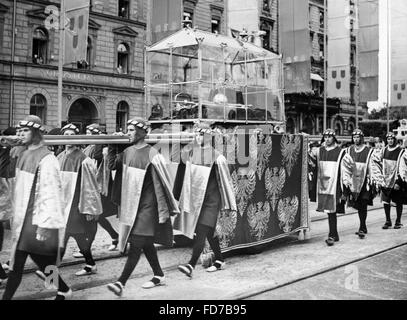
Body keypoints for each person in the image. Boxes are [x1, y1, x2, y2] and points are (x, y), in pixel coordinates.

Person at [105, 117, 179, 297]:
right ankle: (159, 275)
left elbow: (162, 186)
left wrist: (163, 211)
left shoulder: (153, 154)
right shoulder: (127, 151)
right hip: (133, 206)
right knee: (145, 243)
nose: (128, 132)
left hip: (148, 206)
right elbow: (111, 166)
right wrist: (113, 145)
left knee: (136, 243)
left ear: (141, 132)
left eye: (131, 130)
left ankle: (120, 283)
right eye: (128, 130)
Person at [2, 115, 71, 300]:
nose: (20, 133)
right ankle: (63, 289)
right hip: (23, 220)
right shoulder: (23, 154)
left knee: (34, 261)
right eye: (19, 130)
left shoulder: (47, 158)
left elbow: (51, 194)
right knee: (23, 263)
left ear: (36, 132)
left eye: (25, 130)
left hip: (36, 220)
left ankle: (63, 289)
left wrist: (45, 224)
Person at [174, 122, 237, 277]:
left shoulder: (217, 157)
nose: (198, 137)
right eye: (197, 134)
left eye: (201, 134)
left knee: (202, 231)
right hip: (199, 201)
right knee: (209, 232)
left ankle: (190, 265)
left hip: (212, 201)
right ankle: (220, 260)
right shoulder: (192, 153)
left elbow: (228, 174)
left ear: (208, 136)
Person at [57, 123, 103, 276]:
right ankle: (90, 264)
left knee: (63, 239)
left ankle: (50, 273)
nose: (69, 138)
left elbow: (90, 186)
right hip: (62, 206)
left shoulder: (84, 159)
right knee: (77, 237)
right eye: (66, 135)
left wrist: (90, 208)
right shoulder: (59, 157)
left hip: (75, 206)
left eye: (72, 135)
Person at [82, 124, 119, 253]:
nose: (87, 135)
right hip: (90, 185)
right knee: (97, 216)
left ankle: (86, 248)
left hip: (99, 185)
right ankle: (115, 236)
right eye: (86, 132)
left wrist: (99, 139)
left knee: (96, 216)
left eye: (89, 133)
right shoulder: (88, 147)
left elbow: (98, 157)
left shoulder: (100, 147)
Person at [341, 129, 378, 238]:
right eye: (354, 137)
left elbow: (373, 166)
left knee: (363, 204)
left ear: (361, 138)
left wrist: (373, 180)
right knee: (357, 205)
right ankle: (363, 226)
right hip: (353, 182)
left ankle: (362, 227)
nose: (356, 139)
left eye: (358, 137)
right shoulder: (348, 151)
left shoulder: (369, 151)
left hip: (364, 182)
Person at [314, 129, 346, 246]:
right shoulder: (319, 151)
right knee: (329, 211)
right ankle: (334, 234)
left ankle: (332, 235)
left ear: (334, 138)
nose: (327, 139)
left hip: (335, 184)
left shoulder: (340, 152)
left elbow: (346, 170)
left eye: (329, 137)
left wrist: (344, 188)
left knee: (332, 210)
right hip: (323, 185)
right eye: (325, 137)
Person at [379, 132, 406, 229]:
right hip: (386, 180)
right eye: (388, 139)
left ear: (395, 140)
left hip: (396, 180)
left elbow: (403, 168)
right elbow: (378, 163)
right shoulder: (384, 150)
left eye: (391, 139)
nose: (390, 141)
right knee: (386, 202)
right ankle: (388, 220)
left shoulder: (401, 151)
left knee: (398, 201)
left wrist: (399, 181)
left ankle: (398, 221)